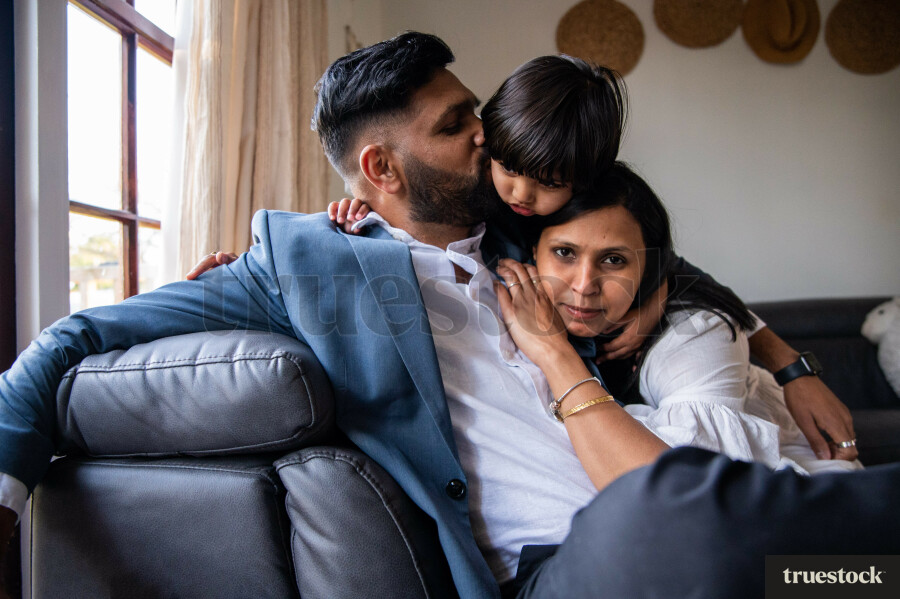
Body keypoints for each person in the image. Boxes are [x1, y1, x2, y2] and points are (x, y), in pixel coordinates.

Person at [1, 32, 897, 598]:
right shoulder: (302, 260)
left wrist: (788, 360)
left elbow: (675, 263)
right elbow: (75, 337)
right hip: (569, 553)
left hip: (679, 501)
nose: (487, 134)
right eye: (459, 121)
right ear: (382, 170)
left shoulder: (519, 223)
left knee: (840, 545)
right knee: (663, 511)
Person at [320, 53, 857, 462]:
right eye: (508, 165)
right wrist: (359, 203)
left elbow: (684, 273)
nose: (522, 195)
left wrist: (654, 295)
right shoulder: (477, 191)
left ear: (581, 182)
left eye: (548, 184)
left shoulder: (585, 207)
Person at [495, 162, 861, 475]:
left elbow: (685, 490)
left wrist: (553, 352)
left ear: (649, 268)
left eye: (614, 260)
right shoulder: (515, 286)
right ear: (532, 253)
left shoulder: (696, 333)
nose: (584, 285)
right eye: (564, 252)